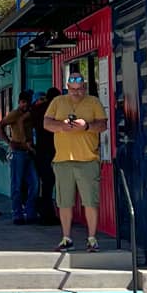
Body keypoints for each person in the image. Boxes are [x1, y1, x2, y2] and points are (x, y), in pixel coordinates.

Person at [45, 72, 106, 252]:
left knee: (90, 201)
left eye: (79, 90)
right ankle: (66, 238)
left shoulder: (93, 102)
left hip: (88, 159)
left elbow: (103, 125)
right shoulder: (58, 102)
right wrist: (62, 126)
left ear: (85, 88)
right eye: (72, 90)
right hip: (63, 159)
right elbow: (46, 123)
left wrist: (86, 126)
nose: (76, 93)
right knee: (64, 202)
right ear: (67, 88)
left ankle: (92, 238)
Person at [2, 89, 39, 224]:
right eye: (23, 102)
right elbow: (0, 125)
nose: (25, 105)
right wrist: (8, 141)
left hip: (29, 151)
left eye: (27, 102)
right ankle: (17, 213)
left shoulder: (31, 114)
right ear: (19, 102)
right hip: (18, 151)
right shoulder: (14, 114)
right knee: (16, 184)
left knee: (34, 184)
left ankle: (30, 212)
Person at [31, 87, 59, 224]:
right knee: (49, 184)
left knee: (45, 184)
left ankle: (43, 213)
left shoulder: (35, 110)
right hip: (50, 150)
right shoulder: (52, 109)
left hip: (39, 151)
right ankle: (47, 215)